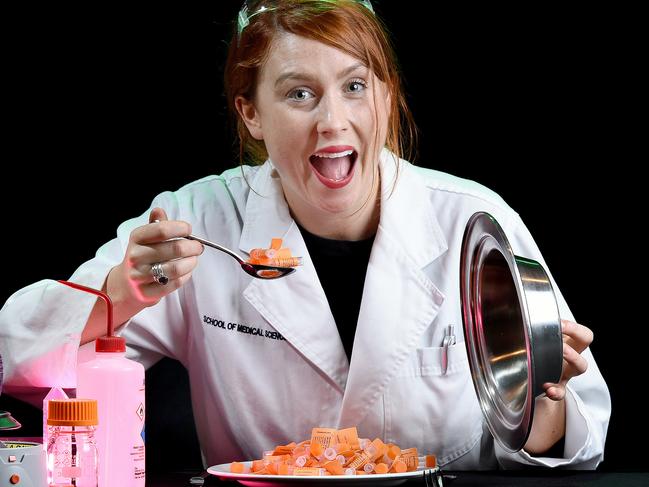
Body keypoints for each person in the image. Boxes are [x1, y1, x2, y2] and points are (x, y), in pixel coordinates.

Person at [0, 0, 609, 470]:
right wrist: (121, 293)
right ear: (251, 114)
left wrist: (543, 405)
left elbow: (581, 432)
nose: (332, 121)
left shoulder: (475, 223)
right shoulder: (197, 221)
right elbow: (19, 365)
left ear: (387, 97)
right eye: (299, 94)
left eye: (354, 86)